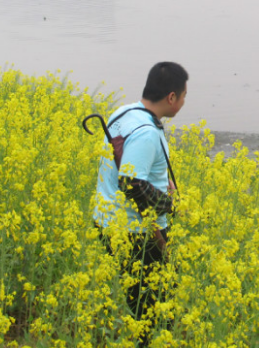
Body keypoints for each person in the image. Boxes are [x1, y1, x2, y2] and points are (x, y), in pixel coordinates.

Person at [93, 61, 188, 344]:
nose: (184, 102)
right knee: (151, 306)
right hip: (135, 230)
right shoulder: (147, 132)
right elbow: (131, 183)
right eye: (183, 96)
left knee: (146, 298)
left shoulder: (124, 112)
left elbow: (133, 165)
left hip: (108, 220)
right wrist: (169, 206)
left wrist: (165, 183)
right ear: (171, 97)